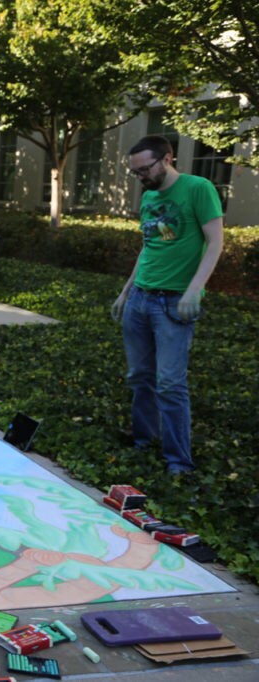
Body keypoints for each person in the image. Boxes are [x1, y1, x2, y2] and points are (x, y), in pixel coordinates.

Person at [111, 135, 224, 476]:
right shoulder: (149, 197)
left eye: (144, 169)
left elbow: (216, 241)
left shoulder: (198, 188)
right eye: (135, 172)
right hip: (141, 299)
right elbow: (148, 247)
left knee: (170, 383)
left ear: (168, 159)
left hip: (174, 303)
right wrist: (126, 291)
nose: (140, 177)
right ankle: (144, 440)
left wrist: (194, 291)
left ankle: (179, 462)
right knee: (139, 376)